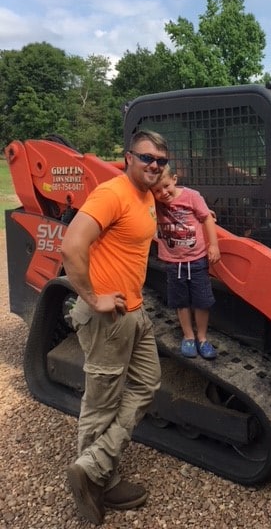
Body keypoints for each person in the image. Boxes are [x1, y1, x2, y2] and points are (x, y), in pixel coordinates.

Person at [61, 130, 168, 526]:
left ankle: (93, 464)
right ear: (128, 158)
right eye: (146, 158)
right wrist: (93, 298)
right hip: (109, 316)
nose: (154, 165)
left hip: (134, 312)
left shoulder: (146, 195)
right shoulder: (113, 193)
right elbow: (71, 246)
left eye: (161, 160)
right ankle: (97, 483)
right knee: (102, 401)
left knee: (146, 384)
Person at [152, 164, 220, 360]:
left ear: (174, 179)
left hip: (197, 259)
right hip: (174, 262)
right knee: (181, 301)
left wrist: (213, 246)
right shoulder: (154, 202)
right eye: (157, 190)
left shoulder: (191, 196)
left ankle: (202, 338)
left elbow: (206, 218)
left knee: (201, 301)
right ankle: (188, 336)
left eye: (166, 186)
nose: (163, 193)